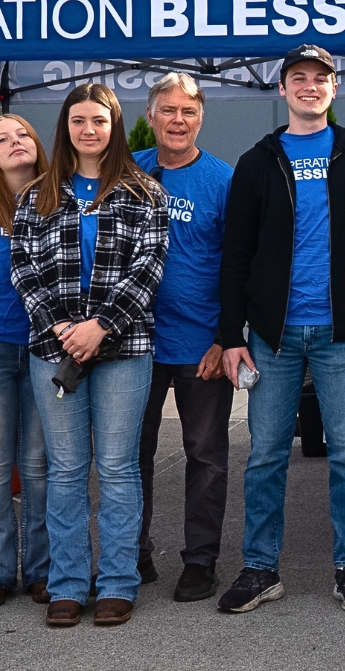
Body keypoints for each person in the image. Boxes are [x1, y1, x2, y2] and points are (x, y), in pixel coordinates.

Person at [218, 45, 345, 614]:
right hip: (271, 335)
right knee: (265, 455)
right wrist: (231, 334)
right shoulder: (258, 160)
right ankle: (260, 568)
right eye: (298, 79)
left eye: (320, 79)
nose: (309, 87)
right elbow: (235, 254)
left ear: (334, 90)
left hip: (343, 333)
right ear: (282, 89)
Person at [13, 84, 168, 627]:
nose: (87, 129)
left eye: (98, 121)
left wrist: (99, 327)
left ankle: (118, 583)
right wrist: (61, 327)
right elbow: (24, 268)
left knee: (120, 469)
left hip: (124, 348)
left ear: (114, 126)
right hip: (52, 349)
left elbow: (148, 271)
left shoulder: (143, 193)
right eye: (77, 120)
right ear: (65, 127)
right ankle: (69, 584)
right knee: (66, 470)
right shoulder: (37, 195)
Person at [134, 73, 234, 602]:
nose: (178, 121)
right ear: (150, 117)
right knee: (131, 454)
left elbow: (239, 266)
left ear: (200, 119)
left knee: (207, 456)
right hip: (133, 343)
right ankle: (135, 554)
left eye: (188, 112)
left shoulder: (222, 179)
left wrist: (225, 338)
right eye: (168, 111)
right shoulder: (128, 172)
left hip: (201, 345)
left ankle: (200, 561)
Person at [0, 115, 50, 605]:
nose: (15, 143)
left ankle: (40, 570)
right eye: (2, 139)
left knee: (38, 465)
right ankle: (0, 572)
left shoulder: (59, 199)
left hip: (43, 346)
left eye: (22, 134)